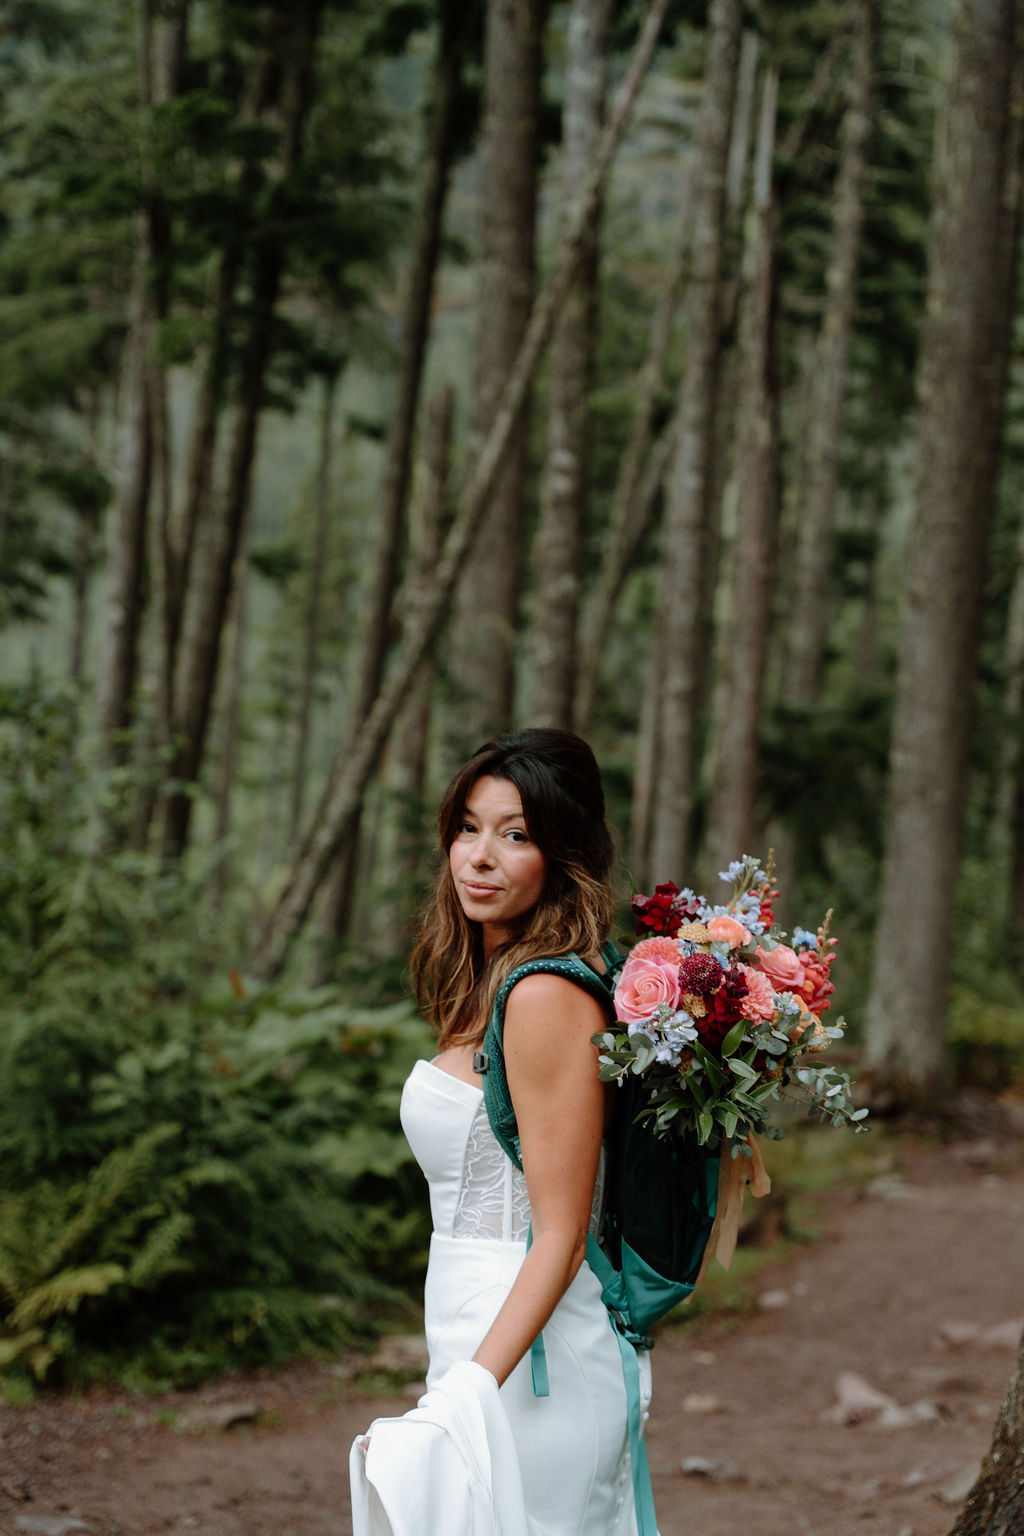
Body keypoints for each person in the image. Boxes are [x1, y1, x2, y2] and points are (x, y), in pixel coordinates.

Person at [351, 728, 650, 1535]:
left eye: (515, 835)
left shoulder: (546, 995)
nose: (479, 856)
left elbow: (557, 1231)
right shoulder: (489, 985)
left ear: (562, 854)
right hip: (476, 1334)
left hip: (533, 1364)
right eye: (468, 827)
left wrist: (466, 1395)